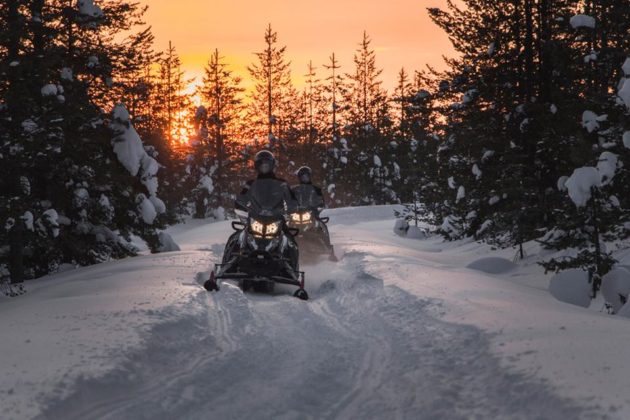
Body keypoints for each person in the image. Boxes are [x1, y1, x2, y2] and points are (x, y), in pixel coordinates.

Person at [223, 150, 299, 267]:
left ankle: (293, 268)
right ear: (257, 166)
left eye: (266, 164)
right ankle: (226, 264)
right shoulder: (250, 184)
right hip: (255, 217)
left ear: (272, 165)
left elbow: (291, 200)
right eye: (261, 164)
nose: (264, 167)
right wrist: (239, 204)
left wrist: (292, 208)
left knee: (290, 241)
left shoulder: (282, 184)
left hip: (276, 218)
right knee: (235, 238)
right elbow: (241, 198)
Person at [291, 166, 334, 253]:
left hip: (312, 213)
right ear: (299, 177)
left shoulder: (316, 189)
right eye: (302, 176)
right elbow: (289, 200)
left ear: (310, 177)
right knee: (287, 227)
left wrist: (318, 206)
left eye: (306, 176)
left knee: (322, 226)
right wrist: (288, 207)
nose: (304, 178)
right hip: (297, 213)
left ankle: (328, 248)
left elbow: (321, 201)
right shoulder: (294, 190)